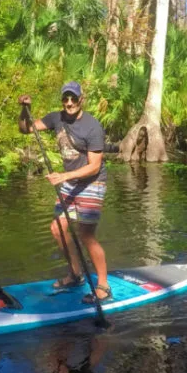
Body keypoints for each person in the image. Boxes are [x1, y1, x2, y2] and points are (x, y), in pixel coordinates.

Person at [18, 81, 112, 303]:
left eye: (73, 98)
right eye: (65, 99)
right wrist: (24, 109)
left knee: (86, 235)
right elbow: (25, 129)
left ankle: (104, 286)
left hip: (92, 182)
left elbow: (94, 166)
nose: (69, 103)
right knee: (57, 228)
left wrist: (63, 176)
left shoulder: (92, 126)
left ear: (81, 99)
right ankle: (76, 275)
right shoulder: (55, 118)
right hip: (71, 181)